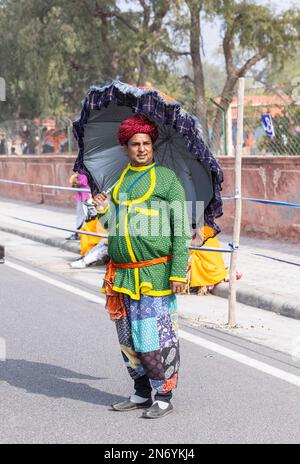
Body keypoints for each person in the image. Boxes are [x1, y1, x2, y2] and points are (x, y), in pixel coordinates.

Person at [93, 114, 191, 419]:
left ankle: (164, 394)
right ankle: (140, 392)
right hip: (122, 275)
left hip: (156, 274)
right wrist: (103, 210)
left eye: (146, 143)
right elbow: (113, 226)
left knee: (154, 337)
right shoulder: (120, 180)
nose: (141, 149)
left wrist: (177, 271)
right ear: (126, 147)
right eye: (135, 144)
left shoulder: (167, 180)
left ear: (153, 145)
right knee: (128, 339)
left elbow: (181, 229)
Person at [67, 172, 90, 240]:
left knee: (86, 216)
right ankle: (78, 233)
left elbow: (85, 181)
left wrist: (76, 181)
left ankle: (81, 234)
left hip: (86, 196)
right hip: (81, 196)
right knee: (80, 216)